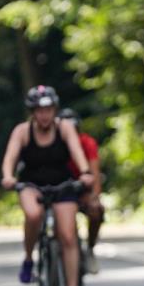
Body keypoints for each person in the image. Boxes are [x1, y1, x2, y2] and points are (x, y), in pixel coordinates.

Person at [0, 85, 95, 286]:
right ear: (32, 112)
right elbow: (10, 158)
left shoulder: (64, 128)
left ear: (55, 110)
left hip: (62, 185)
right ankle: (29, 259)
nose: (44, 115)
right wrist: (8, 177)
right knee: (33, 215)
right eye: (39, 111)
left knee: (68, 236)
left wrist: (84, 172)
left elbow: (77, 154)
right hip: (31, 185)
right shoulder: (22, 131)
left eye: (48, 110)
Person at [58, 108, 105, 274]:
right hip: (59, 190)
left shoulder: (87, 143)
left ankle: (90, 248)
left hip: (82, 189)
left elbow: (95, 174)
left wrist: (94, 197)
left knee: (96, 210)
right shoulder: (53, 143)